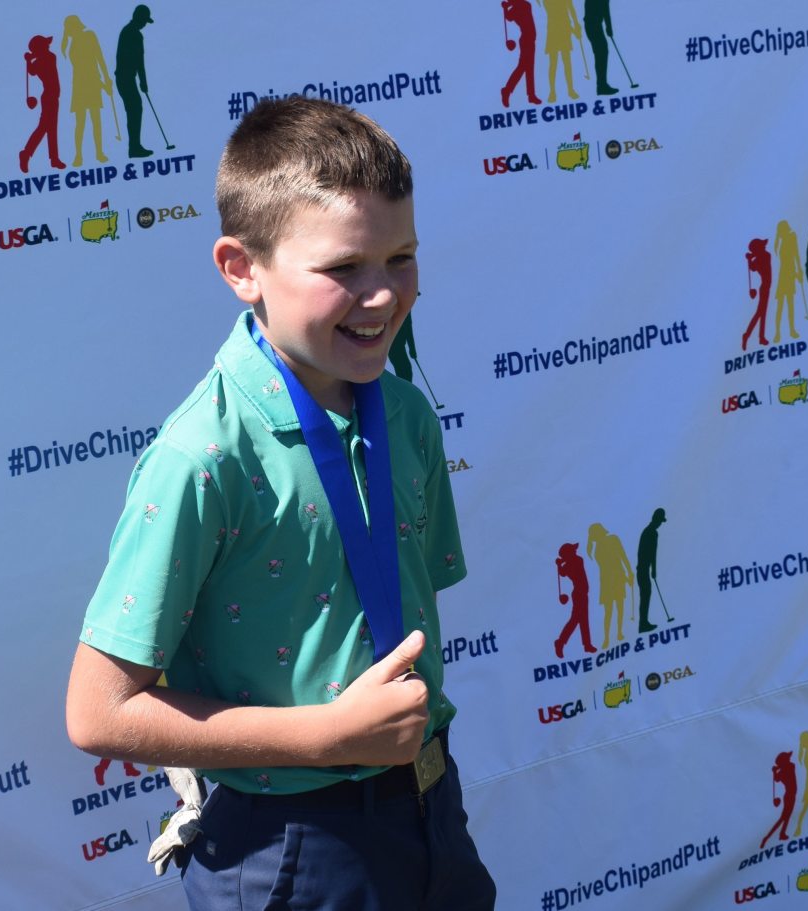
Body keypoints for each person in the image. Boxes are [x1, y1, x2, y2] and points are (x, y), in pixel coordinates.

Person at [66, 96, 496, 910]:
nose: (382, 295)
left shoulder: (405, 413)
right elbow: (98, 713)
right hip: (290, 848)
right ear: (242, 269)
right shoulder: (202, 457)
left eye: (401, 257)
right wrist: (325, 735)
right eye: (342, 268)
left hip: (431, 810)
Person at [62, 15, 112, 167]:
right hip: (80, 85)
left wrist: (107, 79)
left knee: (95, 120)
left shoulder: (89, 36)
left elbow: (99, 58)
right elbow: (84, 69)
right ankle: (79, 156)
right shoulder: (73, 44)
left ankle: (99, 153)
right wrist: (104, 83)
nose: (68, 32)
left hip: (90, 84)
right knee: (81, 123)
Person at [20, 35, 67, 174]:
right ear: (41, 48)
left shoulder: (48, 57)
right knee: (44, 128)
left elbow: (32, 70)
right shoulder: (44, 59)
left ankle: (53, 159)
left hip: (51, 98)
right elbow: (32, 70)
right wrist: (30, 59)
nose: (48, 46)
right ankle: (26, 153)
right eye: (46, 45)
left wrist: (29, 59)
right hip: (49, 98)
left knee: (51, 128)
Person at [115, 5, 155, 158]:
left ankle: (135, 146)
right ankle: (134, 148)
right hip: (126, 78)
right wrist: (143, 82)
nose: (145, 24)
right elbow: (139, 61)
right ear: (139, 18)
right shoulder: (134, 34)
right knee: (135, 109)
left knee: (134, 109)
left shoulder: (127, 31)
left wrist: (141, 81)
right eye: (144, 20)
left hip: (124, 78)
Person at [554, 542, 595, 658]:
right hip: (579, 595)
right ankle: (560, 642)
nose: (575, 551)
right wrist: (560, 564)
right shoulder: (572, 562)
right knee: (575, 620)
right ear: (569, 554)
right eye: (573, 550)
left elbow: (562, 572)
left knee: (583, 620)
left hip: (582, 594)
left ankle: (587, 645)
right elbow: (563, 572)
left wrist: (559, 564)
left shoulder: (577, 560)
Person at [500, 0, 541, 107]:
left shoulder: (522, 6)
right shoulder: (520, 7)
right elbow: (509, 16)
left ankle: (530, 95)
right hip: (526, 40)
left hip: (529, 40)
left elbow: (509, 16)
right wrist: (507, 6)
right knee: (523, 67)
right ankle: (508, 90)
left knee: (528, 68)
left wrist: (506, 7)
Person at [635, 507, 666, 633]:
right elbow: (653, 554)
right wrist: (654, 570)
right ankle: (643, 624)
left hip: (642, 570)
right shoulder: (652, 533)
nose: (660, 524)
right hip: (643, 571)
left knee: (645, 595)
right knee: (645, 595)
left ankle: (643, 623)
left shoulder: (647, 531)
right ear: (657, 519)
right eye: (660, 521)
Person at [583, 0, 617, 95]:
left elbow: (605, 10)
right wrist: (609, 28)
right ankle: (601, 86)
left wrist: (608, 28)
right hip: (593, 25)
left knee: (601, 53)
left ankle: (602, 85)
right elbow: (605, 10)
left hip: (593, 25)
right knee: (601, 53)